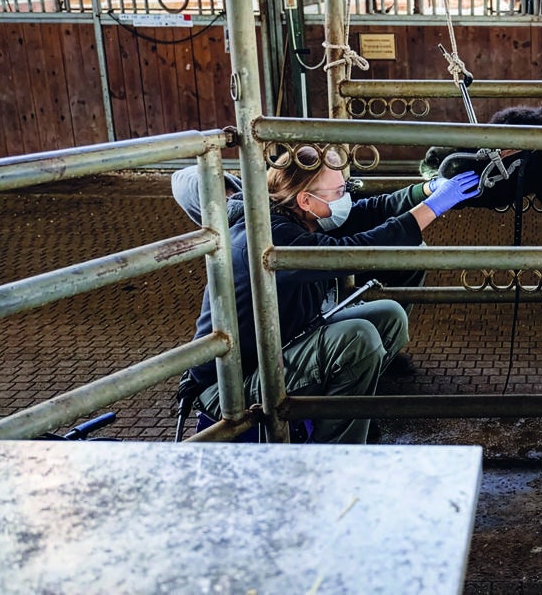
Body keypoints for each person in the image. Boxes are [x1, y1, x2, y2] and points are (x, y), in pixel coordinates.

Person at [173, 145, 480, 444]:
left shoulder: (296, 214)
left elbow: (371, 210)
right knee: (357, 339)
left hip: (285, 345)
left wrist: (428, 190)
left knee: (389, 316)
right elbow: (353, 253)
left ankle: (341, 415)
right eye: (338, 192)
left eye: (345, 187)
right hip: (234, 385)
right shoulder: (268, 237)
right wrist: (431, 209)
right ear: (306, 200)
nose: (345, 198)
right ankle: (333, 456)